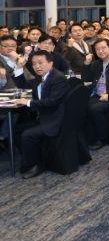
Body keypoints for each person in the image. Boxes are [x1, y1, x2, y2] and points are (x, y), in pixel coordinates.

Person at [12, 50, 71, 179]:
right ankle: (33, 158)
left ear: (50, 63)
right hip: (43, 116)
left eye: (40, 63)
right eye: (34, 64)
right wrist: (19, 68)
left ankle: (36, 164)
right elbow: (24, 88)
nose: (37, 66)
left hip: (55, 119)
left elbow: (52, 102)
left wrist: (28, 102)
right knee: (15, 130)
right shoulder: (40, 78)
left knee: (27, 134)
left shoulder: (58, 78)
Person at [84, 38, 109, 150]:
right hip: (97, 94)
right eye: (97, 49)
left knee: (95, 109)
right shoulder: (96, 63)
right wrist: (87, 64)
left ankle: (102, 138)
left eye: (103, 48)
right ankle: (90, 137)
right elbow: (86, 79)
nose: (100, 51)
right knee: (82, 106)